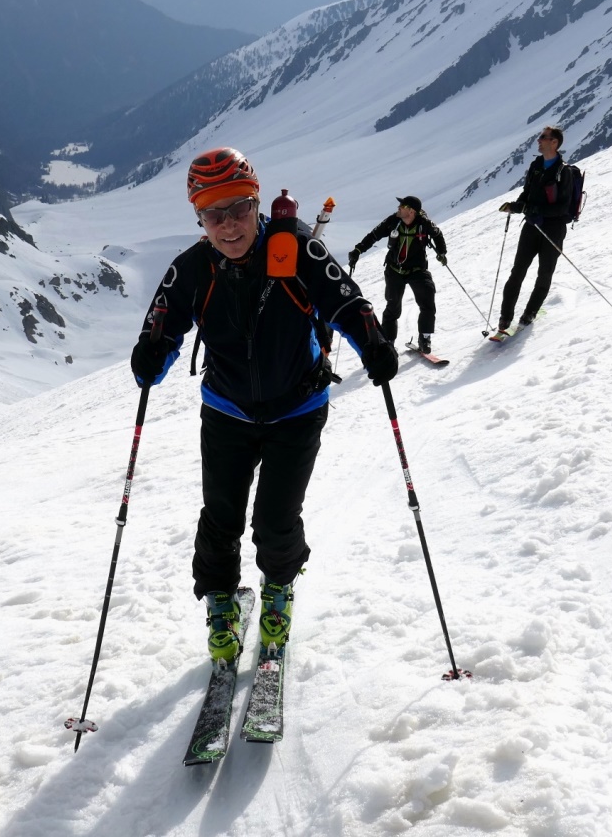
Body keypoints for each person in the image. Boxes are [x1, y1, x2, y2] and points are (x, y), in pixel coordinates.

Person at [131, 147, 398, 665]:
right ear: (199, 218)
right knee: (220, 520)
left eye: (239, 208)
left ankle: (277, 593)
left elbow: (347, 302)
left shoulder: (296, 250)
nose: (228, 224)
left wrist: (375, 344)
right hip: (227, 412)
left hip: (297, 411)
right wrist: (150, 356)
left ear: (258, 204)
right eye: (213, 213)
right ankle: (220, 605)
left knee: (276, 521)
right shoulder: (192, 269)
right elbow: (162, 325)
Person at [496, 125, 582, 332]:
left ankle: (529, 313)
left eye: (543, 137)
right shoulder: (536, 165)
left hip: (553, 229)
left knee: (544, 274)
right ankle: (505, 318)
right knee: (517, 272)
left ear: (554, 143)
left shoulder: (564, 172)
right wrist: (517, 206)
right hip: (532, 226)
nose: (539, 141)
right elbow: (527, 193)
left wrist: (533, 209)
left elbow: (562, 207)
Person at [346, 197, 448, 354]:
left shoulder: (424, 223)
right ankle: (389, 342)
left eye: (403, 206)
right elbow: (374, 235)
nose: (398, 207)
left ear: (412, 211)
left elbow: (438, 235)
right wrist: (358, 250)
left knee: (427, 301)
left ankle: (425, 338)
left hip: (417, 270)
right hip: (394, 270)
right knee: (393, 308)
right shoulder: (393, 221)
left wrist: (441, 252)